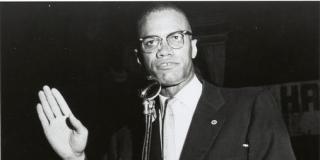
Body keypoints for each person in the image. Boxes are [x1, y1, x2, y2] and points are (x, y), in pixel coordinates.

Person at [36, 3, 296, 160]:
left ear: (193, 47)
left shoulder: (251, 107)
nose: (164, 50)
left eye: (175, 37)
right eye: (151, 42)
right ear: (140, 58)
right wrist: (76, 158)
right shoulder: (126, 139)